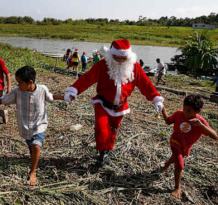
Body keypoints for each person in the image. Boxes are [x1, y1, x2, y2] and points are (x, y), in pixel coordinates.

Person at [64, 39, 164, 168]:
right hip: (102, 103)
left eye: (124, 57)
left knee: (113, 130)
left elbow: (145, 84)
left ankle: (106, 150)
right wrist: (74, 90)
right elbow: (87, 78)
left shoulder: (135, 67)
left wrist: (156, 98)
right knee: (101, 127)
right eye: (117, 57)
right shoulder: (102, 65)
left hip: (121, 106)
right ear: (112, 54)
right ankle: (101, 152)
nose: (121, 60)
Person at [0, 66, 64, 185]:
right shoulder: (17, 92)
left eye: (20, 82)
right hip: (25, 126)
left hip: (39, 124)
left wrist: (65, 97)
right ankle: (34, 157)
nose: (18, 85)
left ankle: (32, 172)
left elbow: (51, 97)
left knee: (36, 146)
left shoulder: (42, 89)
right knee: (32, 146)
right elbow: (1, 100)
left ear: (30, 82)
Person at [160, 94, 218, 198]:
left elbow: (215, 136)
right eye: (184, 108)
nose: (185, 112)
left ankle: (167, 164)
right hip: (175, 142)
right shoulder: (179, 114)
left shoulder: (200, 122)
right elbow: (168, 121)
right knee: (179, 165)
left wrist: (201, 126)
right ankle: (177, 187)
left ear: (198, 111)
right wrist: (162, 109)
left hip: (185, 146)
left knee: (176, 158)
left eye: (189, 110)